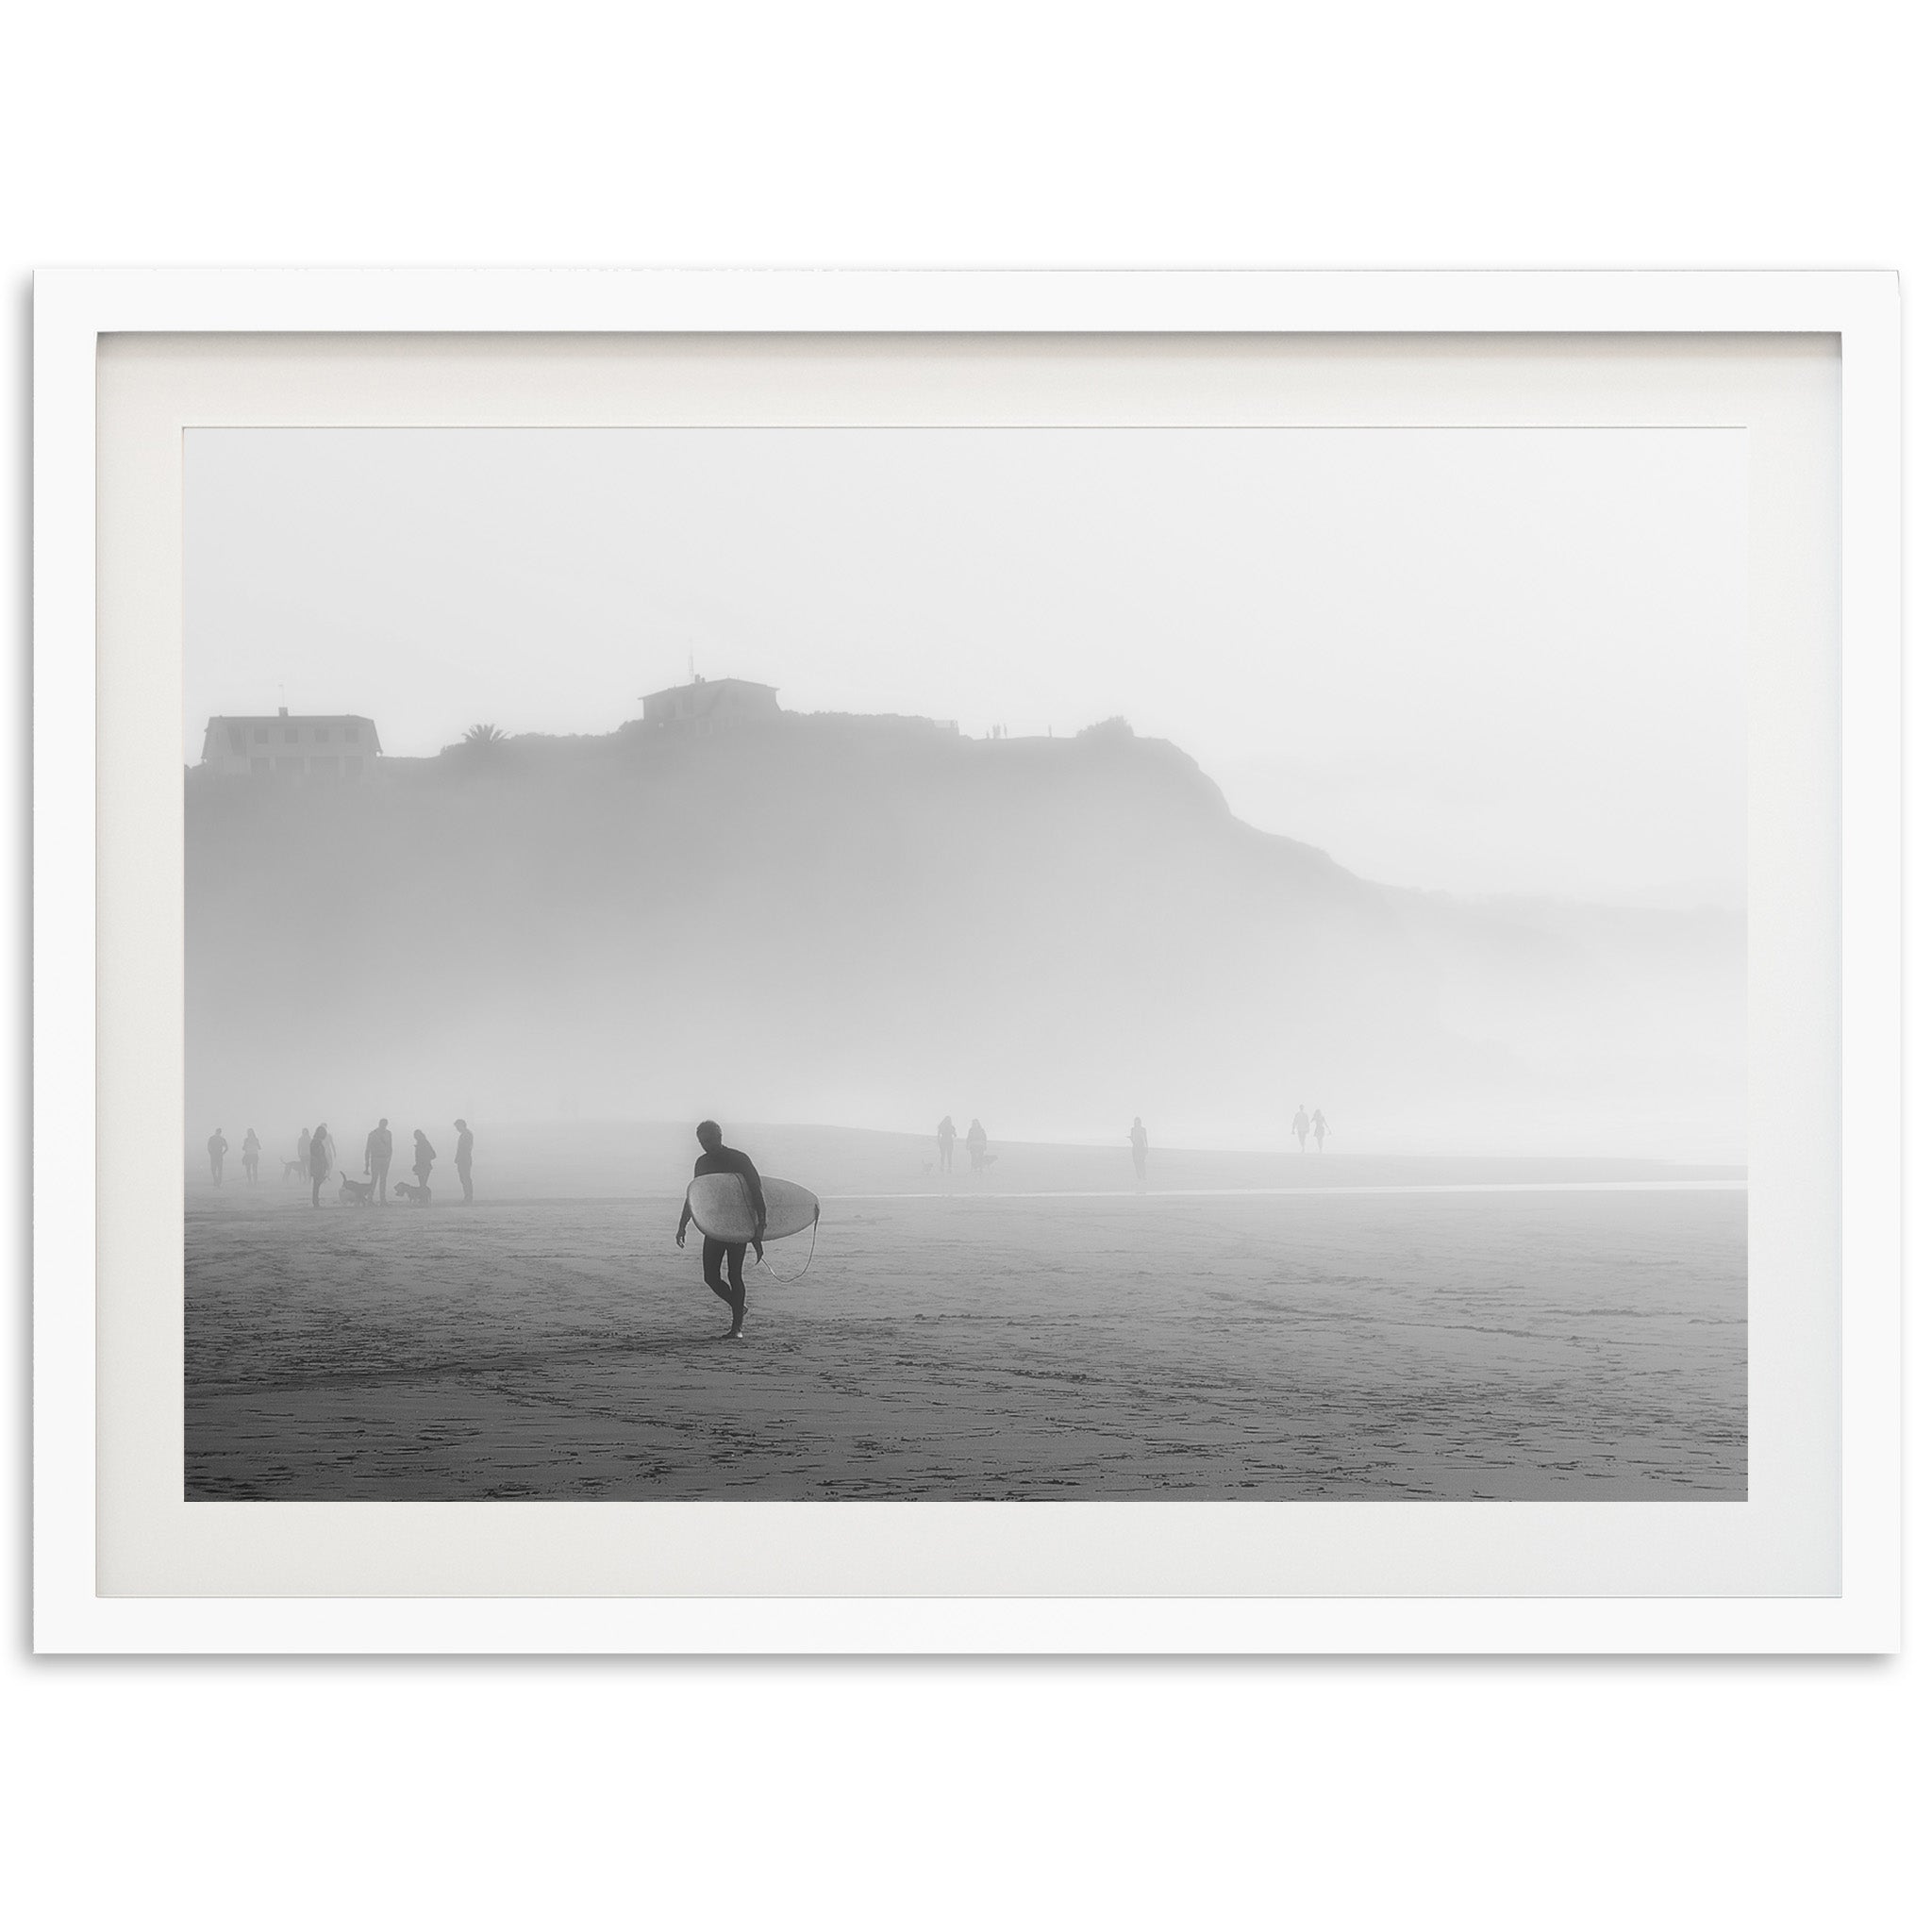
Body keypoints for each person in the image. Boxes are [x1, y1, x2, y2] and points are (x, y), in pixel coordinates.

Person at [675, 1120, 766, 1341]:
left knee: (735, 1274)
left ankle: (737, 1327)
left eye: (709, 1140)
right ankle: (738, 1305)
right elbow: (695, 1195)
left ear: (720, 1136)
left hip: (737, 1226)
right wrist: (682, 1224)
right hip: (715, 1226)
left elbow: (756, 1190)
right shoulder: (702, 1163)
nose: (706, 1145)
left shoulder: (739, 1158)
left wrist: (759, 1226)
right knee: (711, 1277)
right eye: (702, 1142)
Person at [364, 1117, 393, 1203]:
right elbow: (368, 1149)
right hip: (376, 1158)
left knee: (383, 1180)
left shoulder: (388, 1134)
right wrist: (367, 1164)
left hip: (384, 1159)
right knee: (375, 1179)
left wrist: (389, 1158)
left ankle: (383, 1199)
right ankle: (370, 1198)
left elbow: (390, 1147)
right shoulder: (373, 1134)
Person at [307, 1122, 332, 1207]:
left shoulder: (317, 1142)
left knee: (317, 1184)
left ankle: (316, 1200)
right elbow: (317, 1155)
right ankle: (315, 1201)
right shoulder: (315, 1142)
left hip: (318, 1165)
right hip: (317, 1166)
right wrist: (323, 1164)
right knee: (316, 1184)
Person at [455, 1119, 475, 1203]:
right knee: (464, 1178)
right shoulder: (465, 1134)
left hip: (464, 1160)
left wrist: (458, 1157)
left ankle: (468, 1197)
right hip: (463, 1159)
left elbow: (464, 1148)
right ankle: (467, 1196)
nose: (457, 1129)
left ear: (461, 1125)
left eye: (457, 1127)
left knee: (465, 1178)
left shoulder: (466, 1134)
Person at [1129, 1116, 1148, 1184]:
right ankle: (1139, 1177)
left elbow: (1145, 1139)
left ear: (1140, 1122)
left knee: (1142, 1162)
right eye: (1135, 1122)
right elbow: (1133, 1140)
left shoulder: (1143, 1129)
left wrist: (1147, 1148)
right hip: (1135, 1147)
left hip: (1142, 1147)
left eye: (1138, 1122)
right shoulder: (1132, 1129)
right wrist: (1131, 1139)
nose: (1137, 1123)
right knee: (1136, 1162)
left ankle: (1144, 1176)